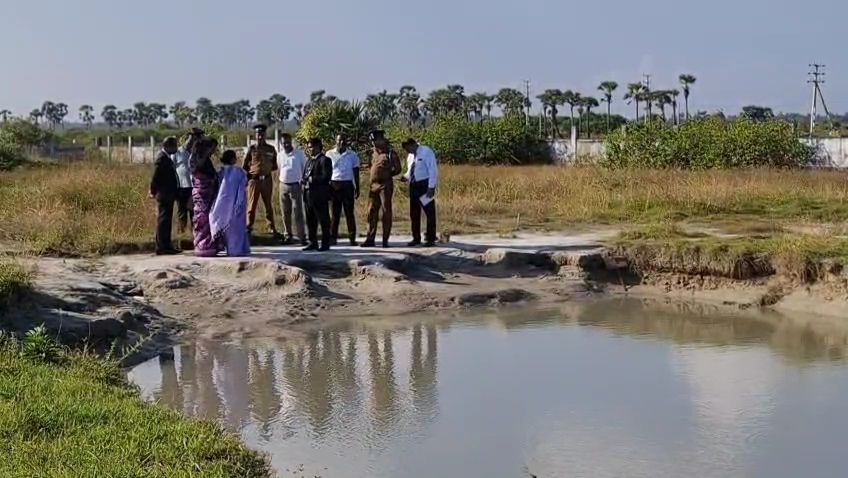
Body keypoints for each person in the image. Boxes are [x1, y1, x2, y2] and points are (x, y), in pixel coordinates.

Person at [362, 129, 402, 248]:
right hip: (373, 186)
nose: (374, 143)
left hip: (385, 185)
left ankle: (385, 239)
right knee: (371, 212)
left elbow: (398, 169)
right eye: (372, 141)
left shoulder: (390, 153)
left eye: (375, 140)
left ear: (382, 140)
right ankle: (370, 238)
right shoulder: (372, 153)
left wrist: (388, 174)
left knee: (386, 211)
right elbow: (371, 166)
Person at [242, 123, 281, 239]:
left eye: (262, 134)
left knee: (268, 205)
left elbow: (274, 165)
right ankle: (249, 227)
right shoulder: (252, 149)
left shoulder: (271, 149)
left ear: (265, 135)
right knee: (252, 205)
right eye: (258, 134)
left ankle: (271, 227)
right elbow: (245, 165)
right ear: (255, 135)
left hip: (267, 180)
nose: (260, 136)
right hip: (254, 181)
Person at [210, 150, 250, 257]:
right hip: (237, 203)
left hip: (222, 205)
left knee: (225, 227)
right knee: (237, 228)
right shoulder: (239, 172)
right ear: (233, 159)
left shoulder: (220, 172)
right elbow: (244, 184)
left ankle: (225, 247)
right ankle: (236, 249)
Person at [401, 138, 439, 247]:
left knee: (429, 212)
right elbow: (411, 170)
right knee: (414, 213)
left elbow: (433, 170)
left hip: (424, 185)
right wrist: (406, 177)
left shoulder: (426, 152)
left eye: (408, 149)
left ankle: (430, 238)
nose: (408, 152)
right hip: (414, 186)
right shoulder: (410, 156)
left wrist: (431, 187)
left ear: (413, 144)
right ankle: (416, 238)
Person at [148, 136, 182, 255]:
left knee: (166, 221)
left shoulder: (166, 157)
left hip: (168, 194)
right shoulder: (161, 158)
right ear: (168, 146)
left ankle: (167, 245)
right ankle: (162, 247)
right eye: (175, 146)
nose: (177, 148)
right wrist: (152, 191)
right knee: (163, 221)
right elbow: (155, 176)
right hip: (164, 194)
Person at [326, 133, 360, 245]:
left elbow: (356, 171)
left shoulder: (352, 155)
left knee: (349, 213)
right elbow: (327, 171)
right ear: (336, 141)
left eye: (344, 140)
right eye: (340, 140)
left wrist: (357, 187)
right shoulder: (329, 154)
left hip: (347, 185)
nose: (342, 142)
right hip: (334, 185)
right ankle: (333, 237)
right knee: (335, 213)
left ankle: (352, 237)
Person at [191, 137, 221, 257]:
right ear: (208, 148)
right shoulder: (202, 161)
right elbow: (207, 176)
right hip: (203, 195)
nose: (214, 150)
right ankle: (204, 246)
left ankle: (204, 245)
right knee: (204, 219)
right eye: (213, 148)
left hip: (202, 195)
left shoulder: (195, 158)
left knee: (202, 218)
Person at [301, 137, 333, 251]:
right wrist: (304, 180)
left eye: (312, 147)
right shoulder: (309, 161)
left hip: (319, 195)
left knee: (323, 220)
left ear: (318, 147)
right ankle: (312, 242)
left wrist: (312, 179)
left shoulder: (325, 160)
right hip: (308, 194)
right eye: (308, 147)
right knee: (310, 220)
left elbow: (326, 176)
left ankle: (325, 243)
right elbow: (305, 174)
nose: (310, 149)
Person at [276, 133, 307, 245]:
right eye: (284, 143)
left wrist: (302, 181)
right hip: (283, 185)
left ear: (291, 141)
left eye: (288, 142)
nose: (286, 145)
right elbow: (279, 168)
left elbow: (305, 168)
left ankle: (301, 236)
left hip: (296, 185)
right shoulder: (280, 155)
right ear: (281, 143)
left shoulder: (299, 154)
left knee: (298, 212)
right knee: (285, 212)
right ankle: (288, 235)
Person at [172, 127, 203, 234]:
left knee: (194, 211)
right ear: (185, 139)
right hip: (181, 187)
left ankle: (195, 233)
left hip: (194, 187)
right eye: (190, 139)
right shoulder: (178, 153)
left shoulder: (197, 154)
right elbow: (172, 169)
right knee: (182, 211)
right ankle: (182, 233)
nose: (191, 142)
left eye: (194, 139)